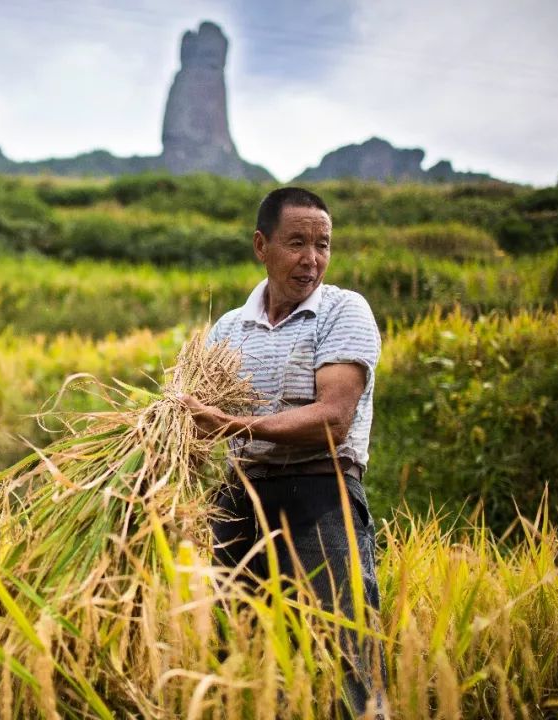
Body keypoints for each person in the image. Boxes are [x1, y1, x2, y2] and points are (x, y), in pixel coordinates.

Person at [180, 186, 386, 715]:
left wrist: (231, 424)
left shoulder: (344, 311)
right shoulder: (230, 328)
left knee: (347, 649)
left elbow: (333, 420)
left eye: (323, 244)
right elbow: (202, 421)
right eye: (297, 243)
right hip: (239, 501)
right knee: (239, 650)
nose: (312, 260)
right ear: (261, 246)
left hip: (321, 493)